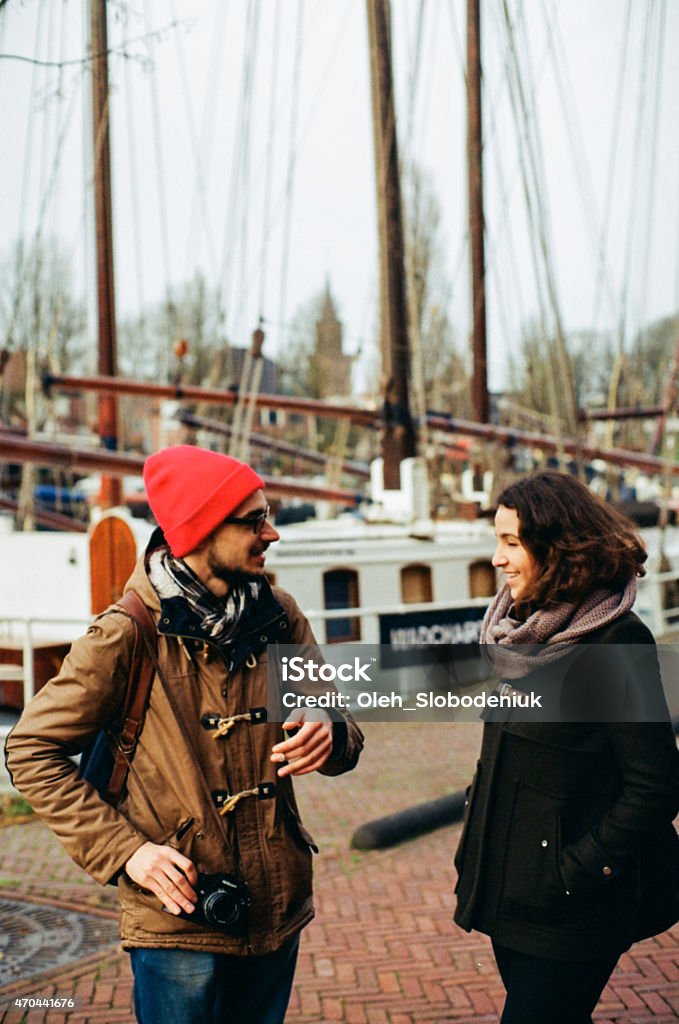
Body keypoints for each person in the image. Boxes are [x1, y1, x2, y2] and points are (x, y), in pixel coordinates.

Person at [6, 444, 364, 1024]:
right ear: (199, 530)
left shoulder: (280, 615)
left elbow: (342, 727)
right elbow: (29, 748)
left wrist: (331, 731)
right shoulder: (126, 633)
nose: (271, 534)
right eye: (254, 520)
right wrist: (129, 854)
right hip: (178, 917)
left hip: (276, 905)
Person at [453, 470, 679, 1024]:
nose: (498, 559)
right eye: (497, 541)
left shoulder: (614, 640)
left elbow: (655, 786)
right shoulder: (521, 633)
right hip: (509, 894)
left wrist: (579, 868)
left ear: (556, 548)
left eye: (511, 543)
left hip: (569, 908)